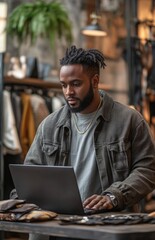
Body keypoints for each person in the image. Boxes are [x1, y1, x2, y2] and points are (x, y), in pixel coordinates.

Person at [13, 45, 155, 240]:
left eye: (76, 83)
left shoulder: (129, 120)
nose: (68, 91)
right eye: (63, 85)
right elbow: (31, 172)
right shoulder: (50, 125)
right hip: (58, 227)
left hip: (109, 227)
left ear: (95, 81)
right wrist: (17, 201)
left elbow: (147, 169)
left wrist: (113, 197)